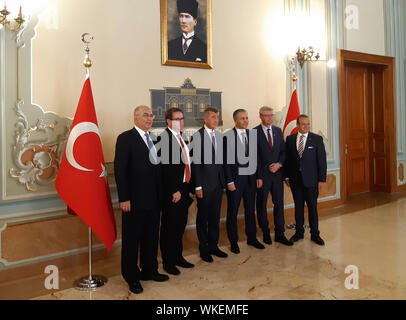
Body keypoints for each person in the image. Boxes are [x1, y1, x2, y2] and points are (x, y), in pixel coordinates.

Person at [114, 106, 169, 295]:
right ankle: (132, 277)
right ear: (135, 117)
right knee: (132, 240)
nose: (150, 118)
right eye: (146, 115)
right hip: (134, 202)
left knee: (151, 238)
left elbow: (159, 171)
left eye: (152, 115)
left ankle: (150, 270)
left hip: (154, 201)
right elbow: (120, 171)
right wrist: (124, 198)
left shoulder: (155, 138)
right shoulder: (125, 138)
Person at [158, 108, 195, 276]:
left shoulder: (181, 138)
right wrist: (175, 190)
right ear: (168, 121)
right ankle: (168, 262)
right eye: (176, 119)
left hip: (183, 190)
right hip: (173, 193)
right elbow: (165, 170)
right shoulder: (164, 139)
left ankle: (178, 257)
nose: (180, 122)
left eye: (182, 118)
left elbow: (185, 166)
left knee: (179, 227)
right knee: (169, 228)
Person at [224, 109, 265, 254]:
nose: (246, 121)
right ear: (235, 120)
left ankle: (252, 238)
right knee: (233, 212)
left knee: (250, 210)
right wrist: (229, 181)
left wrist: (259, 176)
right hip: (235, 180)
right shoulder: (228, 136)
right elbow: (226, 162)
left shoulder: (252, 135)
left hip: (251, 180)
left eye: (247, 118)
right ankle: (233, 241)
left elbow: (257, 158)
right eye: (242, 118)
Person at [191, 107, 227, 262]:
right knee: (203, 217)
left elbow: (222, 163)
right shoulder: (197, 137)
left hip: (218, 185)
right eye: (213, 117)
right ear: (205, 119)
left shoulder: (219, 136)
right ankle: (203, 247)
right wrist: (198, 186)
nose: (216, 120)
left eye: (217, 117)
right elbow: (196, 164)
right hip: (204, 186)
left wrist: (224, 182)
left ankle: (214, 245)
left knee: (215, 217)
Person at [284, 114, 327, 246]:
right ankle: (299, 233)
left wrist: (322, 179)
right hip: (295, 181)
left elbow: (322, 161)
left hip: (312, 181)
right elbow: (288, 160)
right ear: (297, 125)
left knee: (313, 208)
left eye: (308, 124)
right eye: (303, 124)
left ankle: (315, 234)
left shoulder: (317, 139)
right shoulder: (290, 139)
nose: (306, 126)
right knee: (298, 208)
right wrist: (286, 176)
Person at [255, 106, 293, 246]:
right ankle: (265, 232)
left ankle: (279, 233)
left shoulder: (277, 131)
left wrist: (279, 164)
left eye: (271, 115)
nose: (270, 118)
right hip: (262, 176)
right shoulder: (254, 132)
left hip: (277, 175)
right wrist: (258, 176)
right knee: (261, 204)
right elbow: (255, 157)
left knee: (279, 204)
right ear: (260, 116)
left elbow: (283, 152)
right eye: (266, 115)